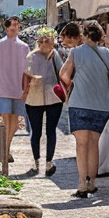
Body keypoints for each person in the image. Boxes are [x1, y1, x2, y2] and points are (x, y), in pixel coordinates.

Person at [60, 20, 109, 198]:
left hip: (79, 103)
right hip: (101, 105)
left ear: (85, 35)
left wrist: (72, 84)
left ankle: (81, 185)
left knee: (81, 144)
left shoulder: (76, 52)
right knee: (93, 144)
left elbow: (63, 73)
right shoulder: (106, 53)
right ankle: (92, 183)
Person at [0, 16, 30, 163]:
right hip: (2, 87)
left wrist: (26, 89)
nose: (15, 27)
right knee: (5, 122)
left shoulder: (24, 47)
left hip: (18, 88)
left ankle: (6, 148)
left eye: (17, 24)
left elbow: (26, 70)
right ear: (6, 27)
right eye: (13, 24)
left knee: (15, 124)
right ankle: (4, 151)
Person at [22, 27, 63, 177]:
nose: (45, 43)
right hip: (34, 97)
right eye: (42, 40)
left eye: (48, 40)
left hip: (53, 97)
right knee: (36, 131)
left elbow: (62, 72)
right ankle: (36, 161)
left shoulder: (56, 55)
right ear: (38, 42)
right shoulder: (31, 56)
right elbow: (27, 72)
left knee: (51, 130)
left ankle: (49, 163)